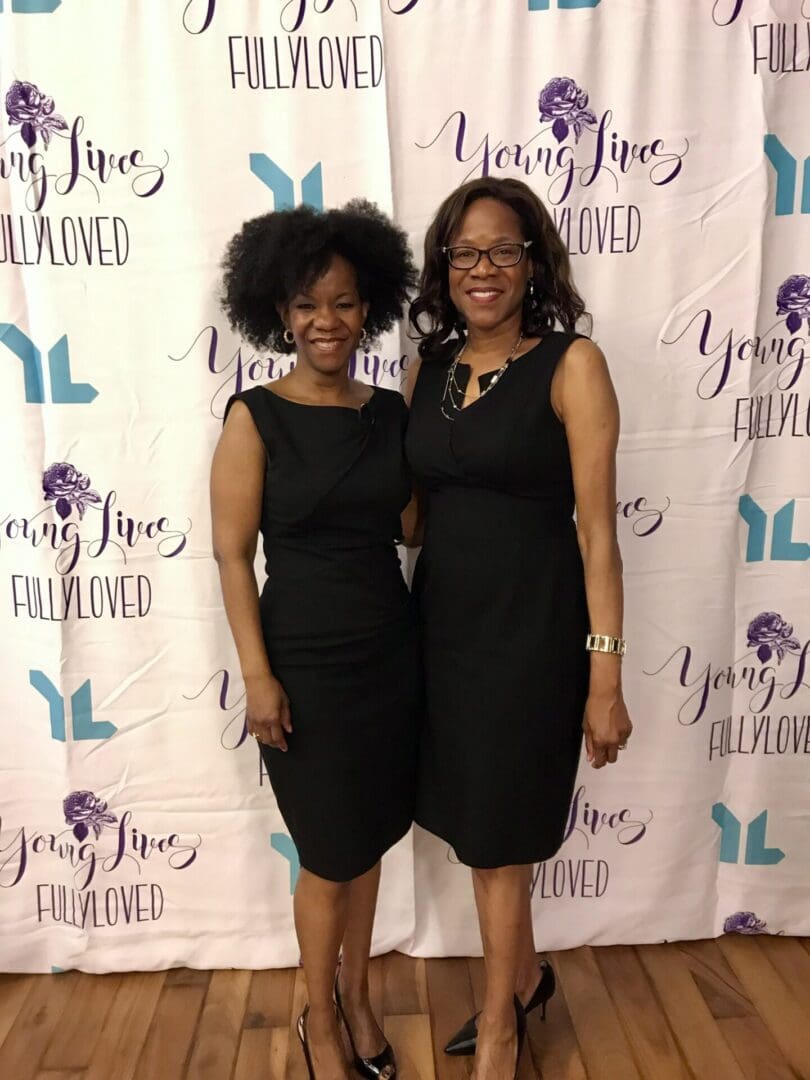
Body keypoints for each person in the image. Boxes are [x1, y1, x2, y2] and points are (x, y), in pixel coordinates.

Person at [405, 177, 632, 1080]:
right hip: (442, 630)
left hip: (532, 637)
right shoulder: (428, 370)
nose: (483, 269)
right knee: (478, 826)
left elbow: (600, 533)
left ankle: (500, 1029)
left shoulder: (572, 364)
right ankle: (527, 978)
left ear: (532, 260)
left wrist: (604, 677)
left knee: (501, 843)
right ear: (444, 268)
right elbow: (414, 518)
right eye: (464, 253)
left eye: (502, 250)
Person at [211, 200, 418, 1080]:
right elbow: (231, 552)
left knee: (367, 839)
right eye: (306, 305)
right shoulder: (254, 417)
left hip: (389, 654)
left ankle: (363, 996)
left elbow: (411, 527)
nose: (325, 321)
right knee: (328, 854)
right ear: (279, 314)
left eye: (342, 302)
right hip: (304, 661)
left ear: (366, 305)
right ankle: (320, 1019)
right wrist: (257, 676)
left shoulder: (389, 413)